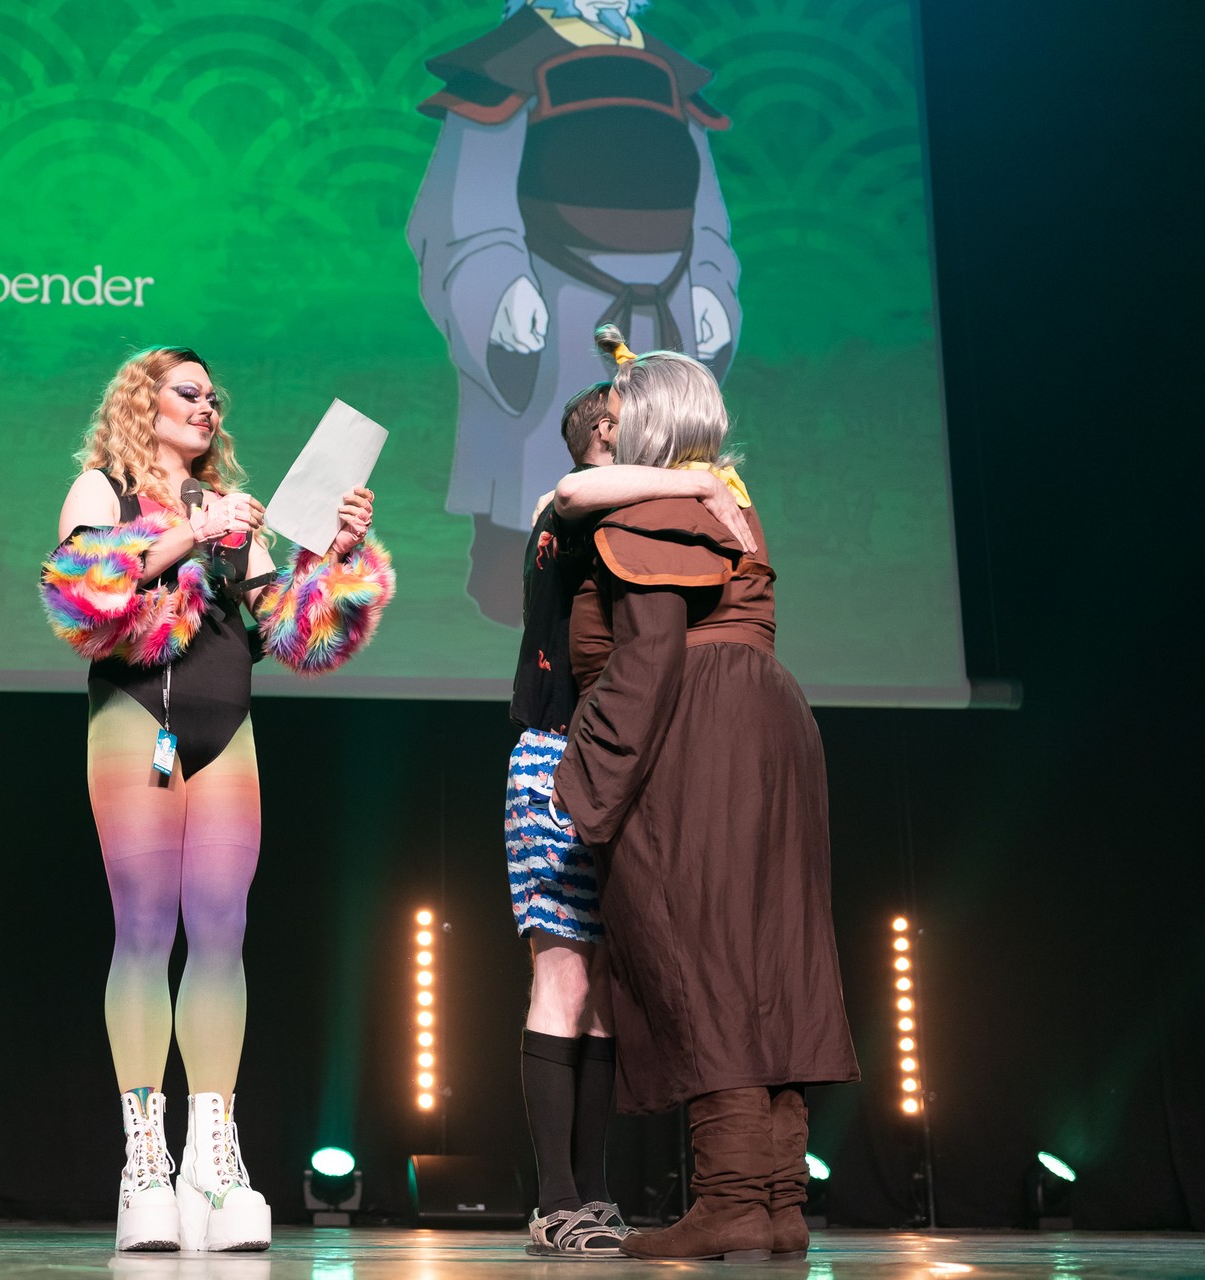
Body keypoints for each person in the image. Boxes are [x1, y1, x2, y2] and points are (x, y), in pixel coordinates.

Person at [41, 347, 395, 1253]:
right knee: (144, 930)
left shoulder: (232, 510)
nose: (207, 406)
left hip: (226, 729)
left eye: (213, 397)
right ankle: (144, 1163)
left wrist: (334, 556)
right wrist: (194, 534)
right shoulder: (101, 490)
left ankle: (212, 1161)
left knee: (222, 934)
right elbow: (84, 596)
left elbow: (291, 632)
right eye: (188, 392)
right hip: (136, 721)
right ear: (144, 403)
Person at [551, 330, 858, 1262]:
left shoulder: (656, 507)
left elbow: (647, 656)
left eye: (621, 415)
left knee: (702, 955)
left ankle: (730, 1198)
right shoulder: (721, 495)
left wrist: (591, 776)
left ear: (651, 422)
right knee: (771, 960)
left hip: (697, 730)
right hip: (764, 725)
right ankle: (776, 1201)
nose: (610, 431)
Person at [507, 373, 751, 1257]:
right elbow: (571, 491)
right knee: (564, 977)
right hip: (553, 759)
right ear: (607, 432)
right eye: (631, 422)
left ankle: (594, 1193)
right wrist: (701, 482)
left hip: (621, 766)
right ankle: (554, 1201)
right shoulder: (570, 504)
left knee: (608, 989)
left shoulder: (632, 513)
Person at [409, 0, 741, 624]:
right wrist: (498, 279)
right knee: (551, 464)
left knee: (663, 457)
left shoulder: (674, 77)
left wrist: (710, 283)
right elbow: (468, 199)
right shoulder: (503, 66)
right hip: (558, 302)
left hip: (667, 307)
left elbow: (707, 214)